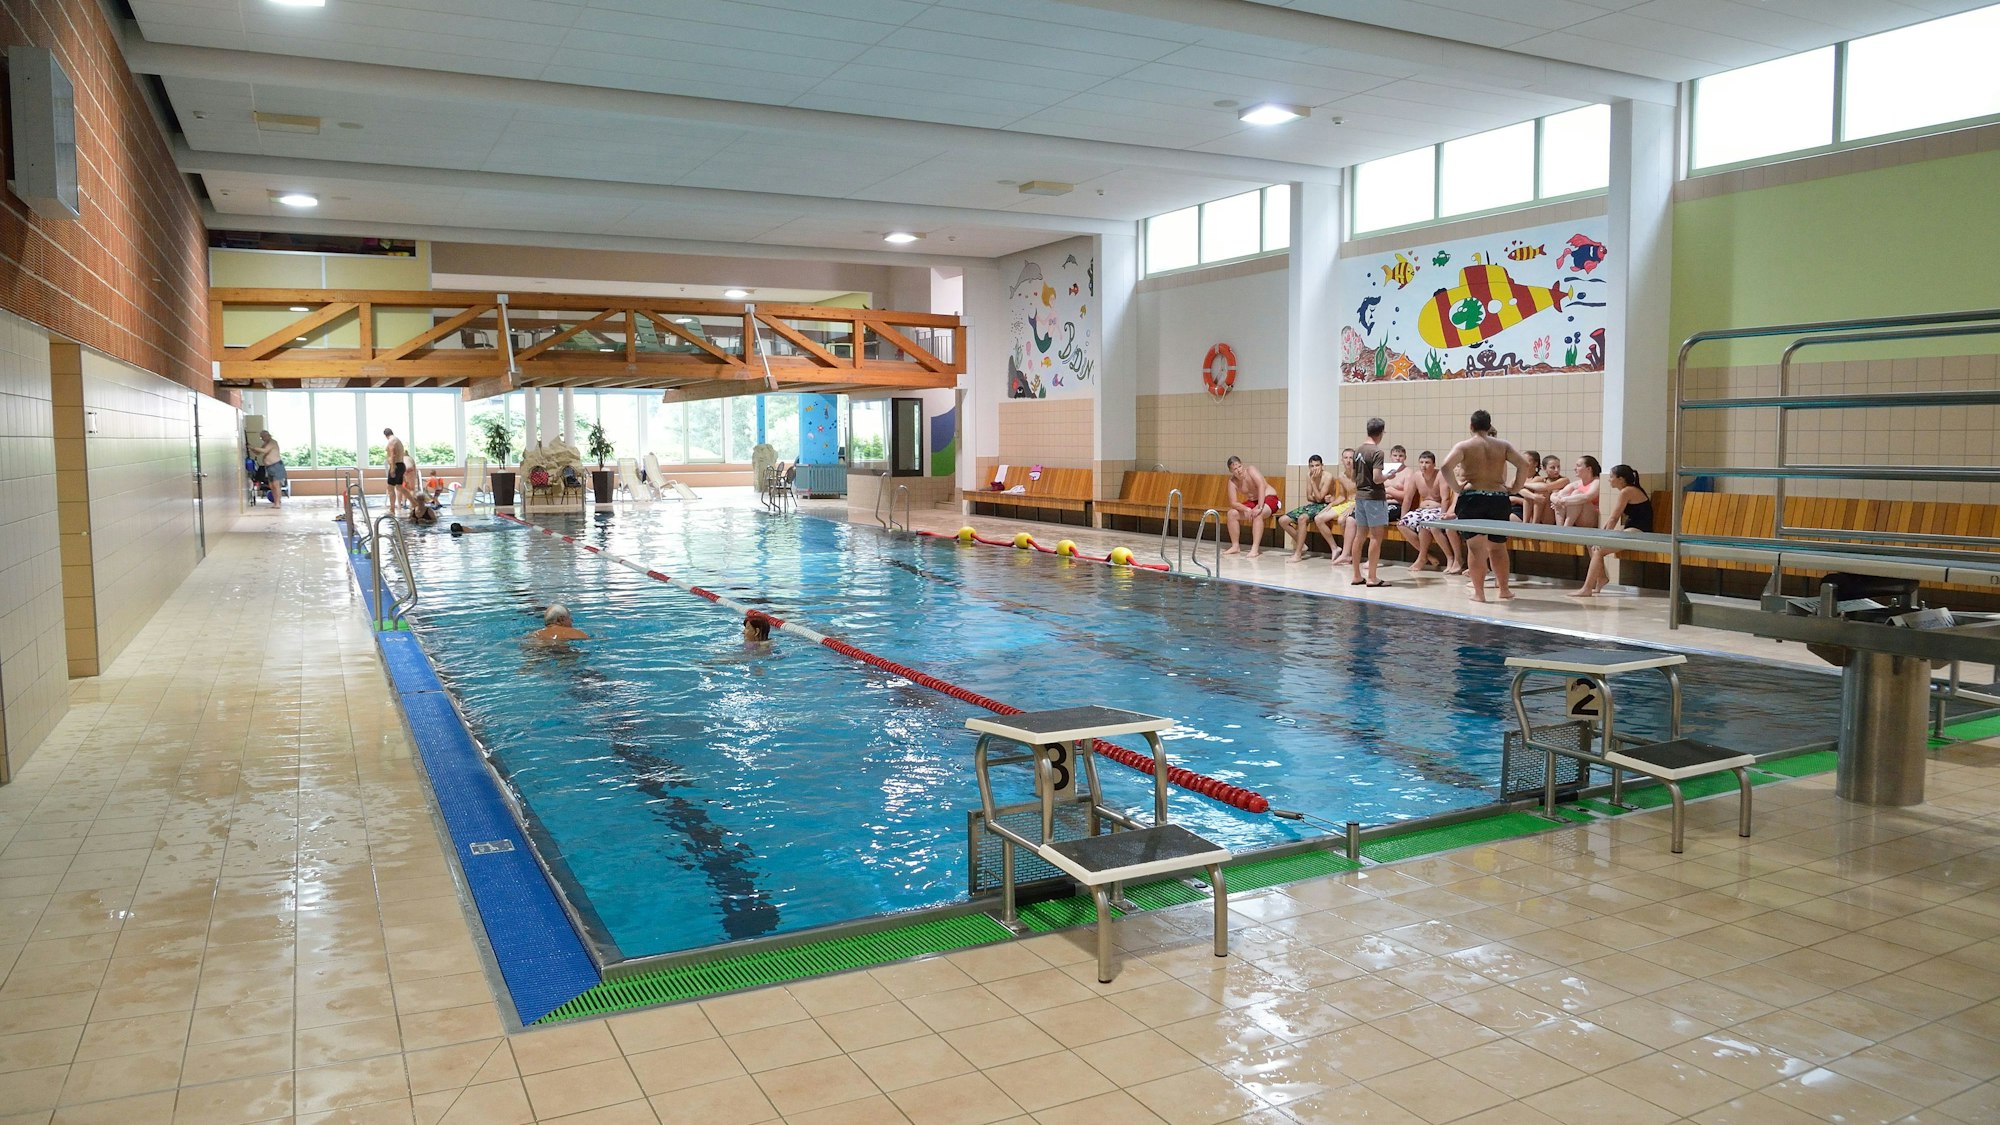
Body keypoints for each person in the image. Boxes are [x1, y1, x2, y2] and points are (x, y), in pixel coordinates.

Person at [1439, 410, 1536, 604]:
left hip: (1472, 498)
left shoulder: (1464, 446)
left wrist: (1458, 487)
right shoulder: (1503, 445)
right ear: (1489, 426)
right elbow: (1523, 465)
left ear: (1471, 426)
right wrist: (1515, 487)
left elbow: (1445, 467)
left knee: (1475, 548)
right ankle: (1504, 590)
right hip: (1499, 498)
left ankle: (1479, 593)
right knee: (1498, 547)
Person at [1572, 465, 1655, 598]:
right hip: (1630, 528)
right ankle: (1601, 578)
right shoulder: (1628, 490)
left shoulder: (1627, 491)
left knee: (1598, 550)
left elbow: (1614, 518)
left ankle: (1587, 588)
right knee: (1591, 544)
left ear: (1621, 479)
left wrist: (1604, 537)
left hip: (1640, 531)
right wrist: (1601, 535)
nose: (1609, 480)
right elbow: (1612, 518)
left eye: (1611, 477)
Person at [1397, 451, 1462, 574]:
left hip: (1436, 509)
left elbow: (1445, 498)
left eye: (1427, 463)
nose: (1423, 465)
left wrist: (1442, 517)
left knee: (1425, 525)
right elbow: (1408, 498)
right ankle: (1427, 555)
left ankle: (1446, 557)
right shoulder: (1416, 476)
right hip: (1421, 510)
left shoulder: (1440, 475)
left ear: (1433, 464)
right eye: (1421, 462)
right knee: (1401, 524)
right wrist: (1403, 515)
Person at [1348, 418, 1392, 587]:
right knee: (1375, 537)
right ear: (1381, 433)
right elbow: (1377, 477)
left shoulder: (1357, 450)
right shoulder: (1377, 452)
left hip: (1360, 497)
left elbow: (1353, 476)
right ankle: (1372, 577)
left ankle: (1357, 575)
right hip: (1374, 497)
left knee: (1360, 536)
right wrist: (1389, 475)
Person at [1279, 454, 1338, 563]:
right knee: (1282, 520)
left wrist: (1313, 484)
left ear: (1322, 466)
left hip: (1326, 506)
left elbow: (1320, 499)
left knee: (1302, 518)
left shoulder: (1328, 476)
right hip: (1314, 505)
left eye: (1317, 465)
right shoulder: (1309, 475)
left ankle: (1298, 554)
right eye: (1312, 466)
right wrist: (1317, 496)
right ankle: (1303, 545)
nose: (1314, 468)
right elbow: (1309, 497)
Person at [1222, 455, 1278, 558]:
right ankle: (1235, 546)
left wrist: (1260, 507)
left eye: (1239, 466)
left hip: (1269, 498)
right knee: (1231, 514)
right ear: (1231, 471)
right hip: (1252, 501)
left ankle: (1255, 549)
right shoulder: (1232, 482)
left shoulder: (1251, 470)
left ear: (1242, 465)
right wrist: (1246, 509)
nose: (1238, 470)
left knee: (1257, 514)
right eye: (1235, 469)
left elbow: (1261, 486)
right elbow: (1233, 503)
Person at [1317, 448, 1358, 564]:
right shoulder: (1341, 476)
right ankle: (1335, 548)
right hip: (1346, 503)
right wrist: (1331, 504)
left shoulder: (1360, 475)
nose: (1348, 461)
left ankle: (1348, 554)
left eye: (1351, 458)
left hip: (1357, 503)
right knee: (1319, 518)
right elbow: (1342, 496)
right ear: (1342, 460)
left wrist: (1353, 506)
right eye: (1346, 458)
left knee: (1341, 520)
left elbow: (1364, 494)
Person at [1517, 454, 1569, 525]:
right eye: (1552, 467)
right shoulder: (1541, 479)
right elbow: (1520, 490)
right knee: (1528, 495)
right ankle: (1525, 523)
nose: (1556, 470)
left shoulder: (1564, 480)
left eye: (1558, 467)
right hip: (1539, 514)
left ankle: (1535, 524)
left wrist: (1523, 484)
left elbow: (1546, 487)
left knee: (1542, 492)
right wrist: (1533, 496)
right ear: (1544, 468)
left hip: (1553, 515)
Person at [1552, 456, 1602, 527]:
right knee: (1560, 497)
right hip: (1578, 519)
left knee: (1577, 494)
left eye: (1578, 466)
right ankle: (1559, 527)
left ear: (1589, 469)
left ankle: (1566, 528)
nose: (1575, 469)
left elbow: (1587, 497)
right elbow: (1558, 494)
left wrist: (1564, 500)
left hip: (1591, 519)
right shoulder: (1577, 483)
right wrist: (1555, 499)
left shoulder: (1597, 482)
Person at [251, 430, 285, 509]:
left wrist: (254, 447)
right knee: (271, 485)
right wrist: (251, 449)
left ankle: (277, 503)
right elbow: (258, 453)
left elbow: (265, 451)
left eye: (263, 437)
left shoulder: (273, 442)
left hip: (276, 466)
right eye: (261, 437)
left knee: (276, 485)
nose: (262, 439)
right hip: (269, 467)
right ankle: (275, 502)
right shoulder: (265, 444)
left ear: (268, 436)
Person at [382, 428, 412, 516]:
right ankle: (414, 503)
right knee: (399, 487)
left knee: (390, 488)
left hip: (396, 465)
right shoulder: (397, 440)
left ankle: (392, 509)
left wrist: (392, 468)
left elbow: (392, 454)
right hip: (401, 465)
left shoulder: (391, 441)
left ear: (385, 435)